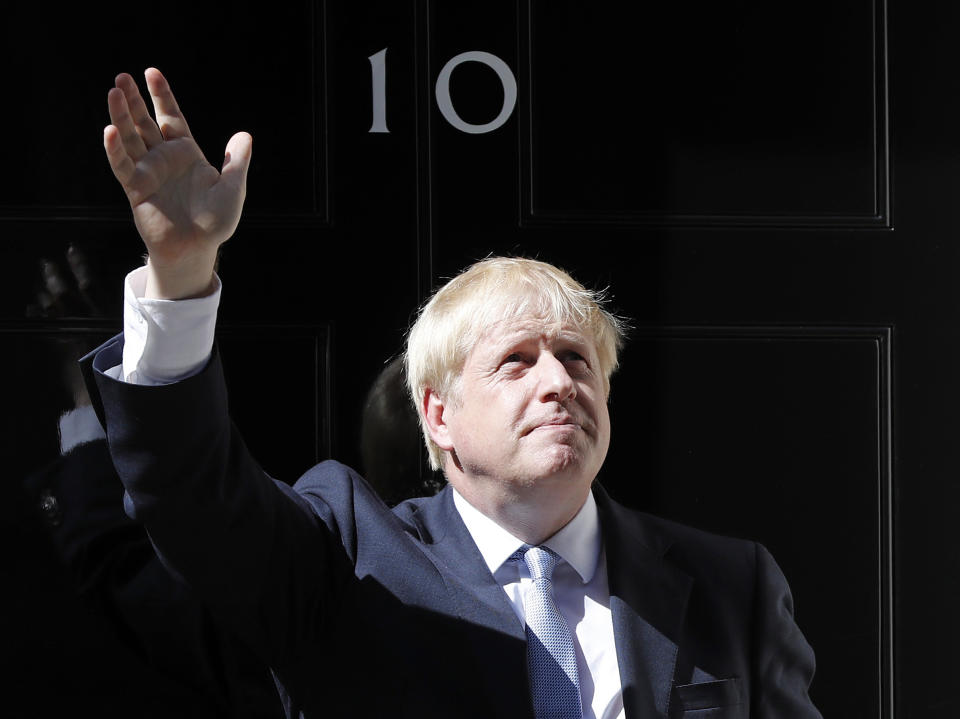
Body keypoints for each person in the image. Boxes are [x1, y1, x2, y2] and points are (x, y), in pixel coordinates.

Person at [87, 68, 822, 718]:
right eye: (516, 361)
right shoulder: (347, 556)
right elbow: (191, 497)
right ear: (439, 415)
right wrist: (179, 272)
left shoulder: (733, 586)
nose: (559, 381)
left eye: (576, 358)